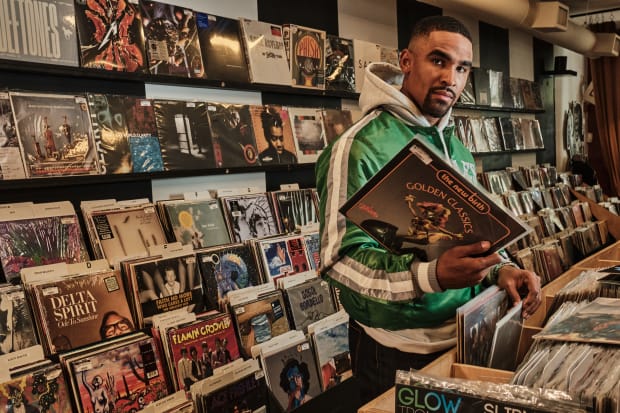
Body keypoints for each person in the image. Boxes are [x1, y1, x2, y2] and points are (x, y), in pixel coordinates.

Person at [315, 15, 542, 404]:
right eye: (438, 60)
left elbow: (473, 236)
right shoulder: (358, 147)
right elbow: (338, 263)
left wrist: (500, 269)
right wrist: (430, 275)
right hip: (394, 350)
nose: (450, 78)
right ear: (406, 61)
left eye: (462, 68)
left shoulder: (458, 149)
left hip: (465, 334)